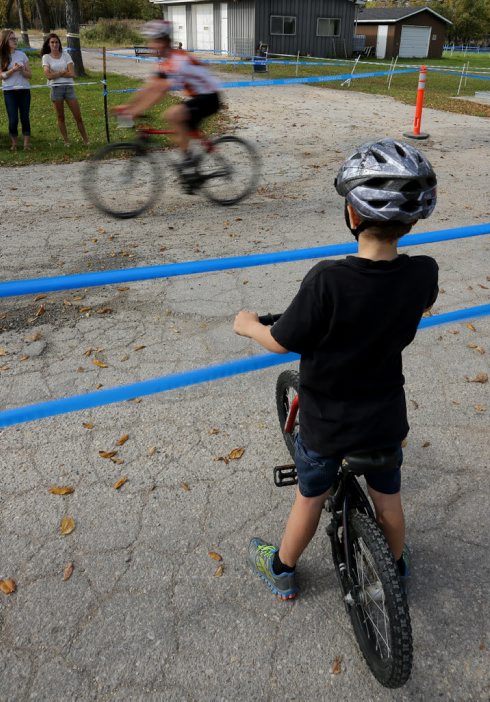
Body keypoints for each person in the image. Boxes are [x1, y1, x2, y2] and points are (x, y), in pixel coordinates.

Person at [234, 138, 439, 600]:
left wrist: (248, 326)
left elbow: (280, 340)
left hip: (328, 424)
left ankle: (283, 569)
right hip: (385, 417)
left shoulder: (328, 279)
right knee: (388, 496)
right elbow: (422, 305)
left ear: (352, 214)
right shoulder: (423, 272)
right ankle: (396, 564)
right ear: (411, 222)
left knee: (310, 496)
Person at [115, 20, 221, 175]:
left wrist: (135, 111)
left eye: (154, 41)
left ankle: (188, 161)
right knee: (179, 124)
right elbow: (149, 87)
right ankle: (191, 167)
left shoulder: (177, 60)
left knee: (172, 115)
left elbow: (160, 91)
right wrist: (129, 106)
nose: (150, 45)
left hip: (210, 97)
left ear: (164, 41)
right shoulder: (164, 62)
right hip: (198, 96)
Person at [41, 33, 89, 147]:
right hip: (56, 88)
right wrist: (61, 72)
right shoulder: (46, 57)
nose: (55, 44)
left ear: (59, 43)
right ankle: (66, 141)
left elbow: (72, 73)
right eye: (52, 42)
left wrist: (56, 74)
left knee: (78, 116)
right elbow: (48, 75)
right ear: (48, 44)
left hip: (69, 87)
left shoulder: (66, 55)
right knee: (60, 116)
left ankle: (86, 140)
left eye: (56, 42)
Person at [0, 29, 32, 150]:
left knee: (25, 117)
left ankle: (26, 144)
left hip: (24, 91)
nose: (15, 41)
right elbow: (1, 76)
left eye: (15, 39)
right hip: (9, 92)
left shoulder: (22, 55)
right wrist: (12, 70)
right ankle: (14, 143)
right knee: (13, 118)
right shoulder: (1, 56)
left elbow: (30, 75)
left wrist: (22, 71)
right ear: (5, 41)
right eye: (12, 39)